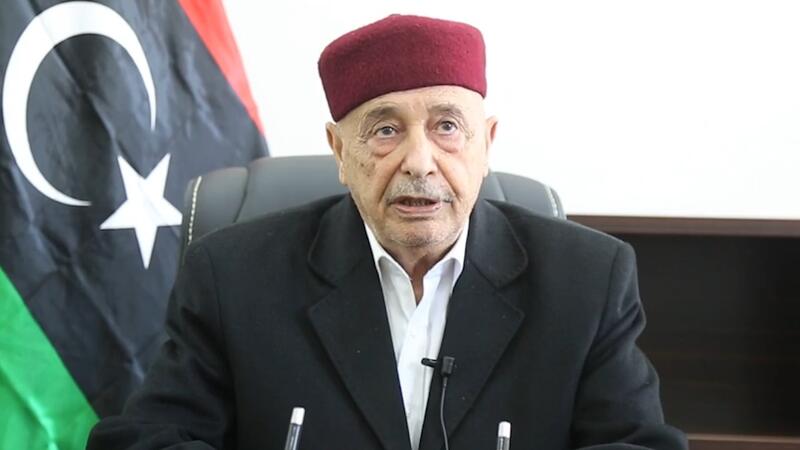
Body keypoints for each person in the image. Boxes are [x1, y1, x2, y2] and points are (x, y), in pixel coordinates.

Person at [88, 14, 687, 450]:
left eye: (447, 126)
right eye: (384, 130)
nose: (419, 162)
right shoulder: (233, 277)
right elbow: (145, 439)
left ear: (487, 144)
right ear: (339, 152)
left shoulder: (587, 281)